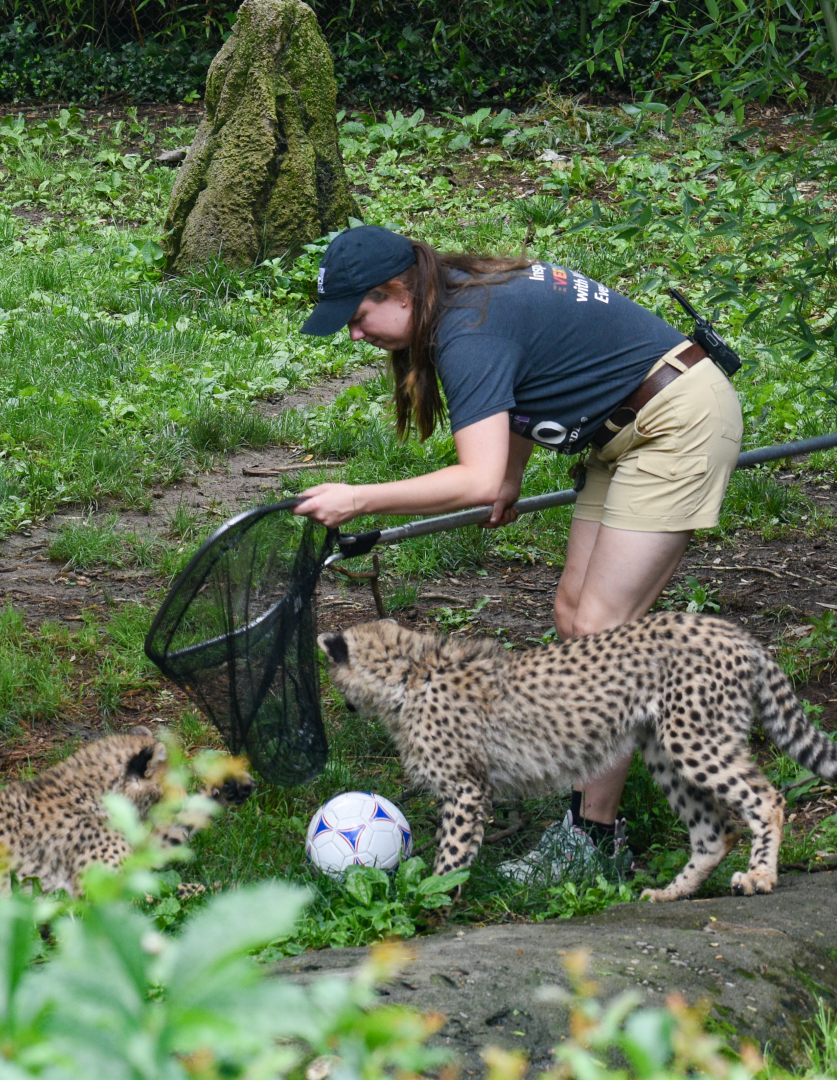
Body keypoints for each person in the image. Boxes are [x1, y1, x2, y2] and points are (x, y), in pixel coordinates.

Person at [293, 225, 743, 882]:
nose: (355, 336)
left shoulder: (466, 331)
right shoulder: (462, 296)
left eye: (358, 317)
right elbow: (524, 385)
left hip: (674, 424)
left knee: (600, 631)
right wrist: (507, 476)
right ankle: (593, 816)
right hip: (621, 433)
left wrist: (360, 498)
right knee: (575, 620)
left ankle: (594, 842)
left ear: (394, 290)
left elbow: (472, 477)